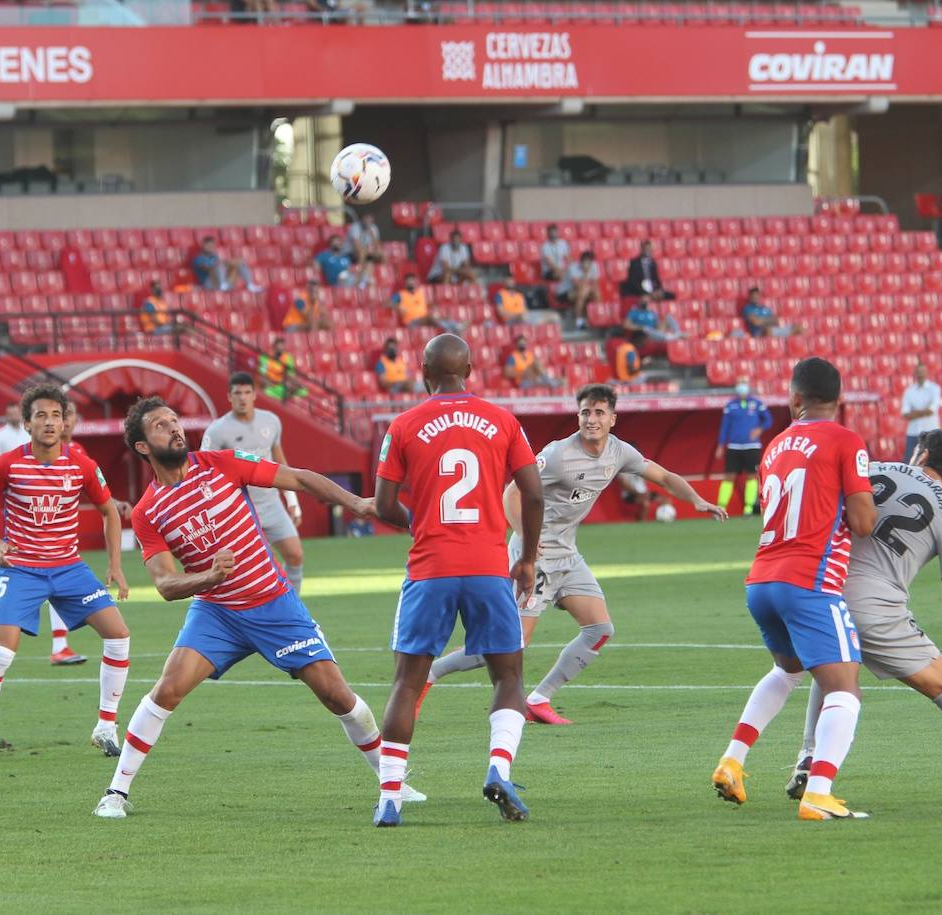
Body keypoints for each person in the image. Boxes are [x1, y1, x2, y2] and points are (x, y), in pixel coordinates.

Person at [92, 396, 424, 818]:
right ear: (142, 446)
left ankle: (392, 780)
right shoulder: (147, 513)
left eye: (175, 421)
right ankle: (115, 793)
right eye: (160, 425)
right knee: (167, 689)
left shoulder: (222, 463)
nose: (174, 428)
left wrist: (357, 503)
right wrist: (208, 579)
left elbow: (300, 479)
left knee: (338, 697)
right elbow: (164, 584)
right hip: (217, 612)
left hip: (273, 605)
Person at [421, 383, 726, 724]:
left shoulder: (619, 452)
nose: (591, 419)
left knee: (600, 628)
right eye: (585, 412)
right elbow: (511, 493)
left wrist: (697, 499)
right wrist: (526, 537)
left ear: (612, 417)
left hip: (567, 555)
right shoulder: (557, 455)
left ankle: (538, 700)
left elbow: (665, 477)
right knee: (510, 645)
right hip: (533, 559)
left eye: (598, 413)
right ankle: (429, 674)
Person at [784, 430, 942, 807]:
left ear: (921, 455)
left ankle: (809, 756)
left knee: (834, 664)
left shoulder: (870, 468)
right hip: (877, 609)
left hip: (818, 593)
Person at [371, 333, 544, 827]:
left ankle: (389, 798)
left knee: (408, 681)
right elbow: (532, 494)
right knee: (508, 676)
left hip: (430, 569)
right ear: (470, 369)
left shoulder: (402, 425)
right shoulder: (502, 420)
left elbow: (383, 505)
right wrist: (527, 558)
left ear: (424, 372)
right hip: (489, 567)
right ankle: (498, 768)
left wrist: (421, 521)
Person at [710, 357, 878, 821]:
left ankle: (733, 760)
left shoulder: (775, 445)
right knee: (845, 689)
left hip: (762, 578)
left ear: (796, 398)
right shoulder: (846, 439)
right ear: (838, 401)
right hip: (810, 581)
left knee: (787, 671)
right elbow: (863, 524)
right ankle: (819, 792)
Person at [0, 384, 131, 765]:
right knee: (0, 653)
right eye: (41, 416)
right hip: (22, 570)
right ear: (26, 424)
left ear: (64, 421)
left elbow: (109, 512)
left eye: (56, 415)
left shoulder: (82, 465)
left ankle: (106, 727)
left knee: (118, 636)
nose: (50, 422)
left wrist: (115, 565)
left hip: (69, 567)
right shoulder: (7, 464)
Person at [0, 399, 112, 667]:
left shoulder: (79, 455)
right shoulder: (8, 453)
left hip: (63, 554)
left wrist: (116, 507)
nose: (59, 421)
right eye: (45, 415)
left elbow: (101, 500)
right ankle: (47, 646)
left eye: (62, 415)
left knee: (112, 630)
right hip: (24, 543)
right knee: (18, 607)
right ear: (28, 423)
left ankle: (52, 646)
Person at [201, 372, 308, 595]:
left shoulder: (271, 421)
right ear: (229, 397)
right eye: (237, 393)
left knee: (295, 554)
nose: (243, 398)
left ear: (254, 395)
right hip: (239, 510)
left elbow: (280, 460)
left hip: (271, 504)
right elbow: (204, 472)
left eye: (247, 392)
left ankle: (293, 605)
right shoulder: (217, 430)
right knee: (240, 570)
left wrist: (292, 501)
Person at [716, 377, 774, 516]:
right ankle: (720, 508)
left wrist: (760, 429)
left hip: (752, 446)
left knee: (752, 476)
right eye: (739, 384)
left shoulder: (757, 404)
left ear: (748, 386)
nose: (742, 387)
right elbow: (725, 426)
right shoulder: (730, 405)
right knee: (729, 476)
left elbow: (768, 420)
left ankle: (748, 508)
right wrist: (720, 444)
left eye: (744, 384)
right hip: (734, 446)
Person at [901, 362, 942, 463]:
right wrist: (924, 411)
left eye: (922, 372)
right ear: (915, 374)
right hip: (913, 433)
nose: (920, 375)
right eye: (918, 372)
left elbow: (931, 410)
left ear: (927, 373)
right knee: (909, 465)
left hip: (931, 432)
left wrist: (914, 413)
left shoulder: (935, 389)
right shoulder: (909, 391)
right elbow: (905, 415)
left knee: (933, 464)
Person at [192, 237, 261, 293]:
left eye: (212, 245)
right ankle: (222, 286)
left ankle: (250, 285)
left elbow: (222, 264)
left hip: (223, 281)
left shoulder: (214, 257)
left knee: (239, 264)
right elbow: (208, 269)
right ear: (203, 246)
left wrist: (231, 262)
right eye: (208, 245)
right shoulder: (198, 259)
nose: (211, 247)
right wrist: (224, 263)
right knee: (218, 266)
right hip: (209, 283)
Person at [557, 251, 600, 330]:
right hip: (564, 293)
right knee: (582, 293)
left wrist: (591, 290)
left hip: (584, 290)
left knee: (596, 294)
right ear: (581, 261)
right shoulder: (573, 267)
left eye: (589, 262)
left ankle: (597, 317)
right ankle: (578, 321)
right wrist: (585, 273)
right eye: (585, 262)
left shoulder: (594, 266)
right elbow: (578, 286)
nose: (587, 264)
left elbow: (595, 284)